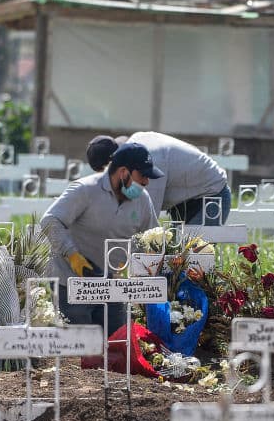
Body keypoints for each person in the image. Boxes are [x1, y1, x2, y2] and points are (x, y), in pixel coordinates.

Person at [41, 143, 162, 334]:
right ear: (123, 172)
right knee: (80, 346)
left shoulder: (142, 200)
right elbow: (50, 220)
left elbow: (151, 240)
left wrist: (142, 274)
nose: (147, 181)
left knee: (115, 343)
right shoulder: (85, 190)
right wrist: (72, 254)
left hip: (113, 284)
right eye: (143, 176)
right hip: (73, 282)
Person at [86, 132, 230, 224]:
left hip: (211, 198)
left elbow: (147, 219)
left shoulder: (149, 160)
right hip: (183, 202)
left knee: (190, 263)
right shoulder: (135, 148)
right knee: (173, 263)